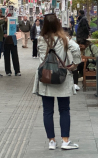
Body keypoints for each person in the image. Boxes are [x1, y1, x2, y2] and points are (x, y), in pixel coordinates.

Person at [33, 13, 82, 150]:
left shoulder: (41, 39)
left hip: (45, 76)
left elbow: (40, 56)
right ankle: (65, 141)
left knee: (47, 111)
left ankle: (52, 142)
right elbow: (76, 48)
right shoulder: (64, 39)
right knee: (64, 109)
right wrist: (75, 64)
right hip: (62, 76)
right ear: (58, 24)